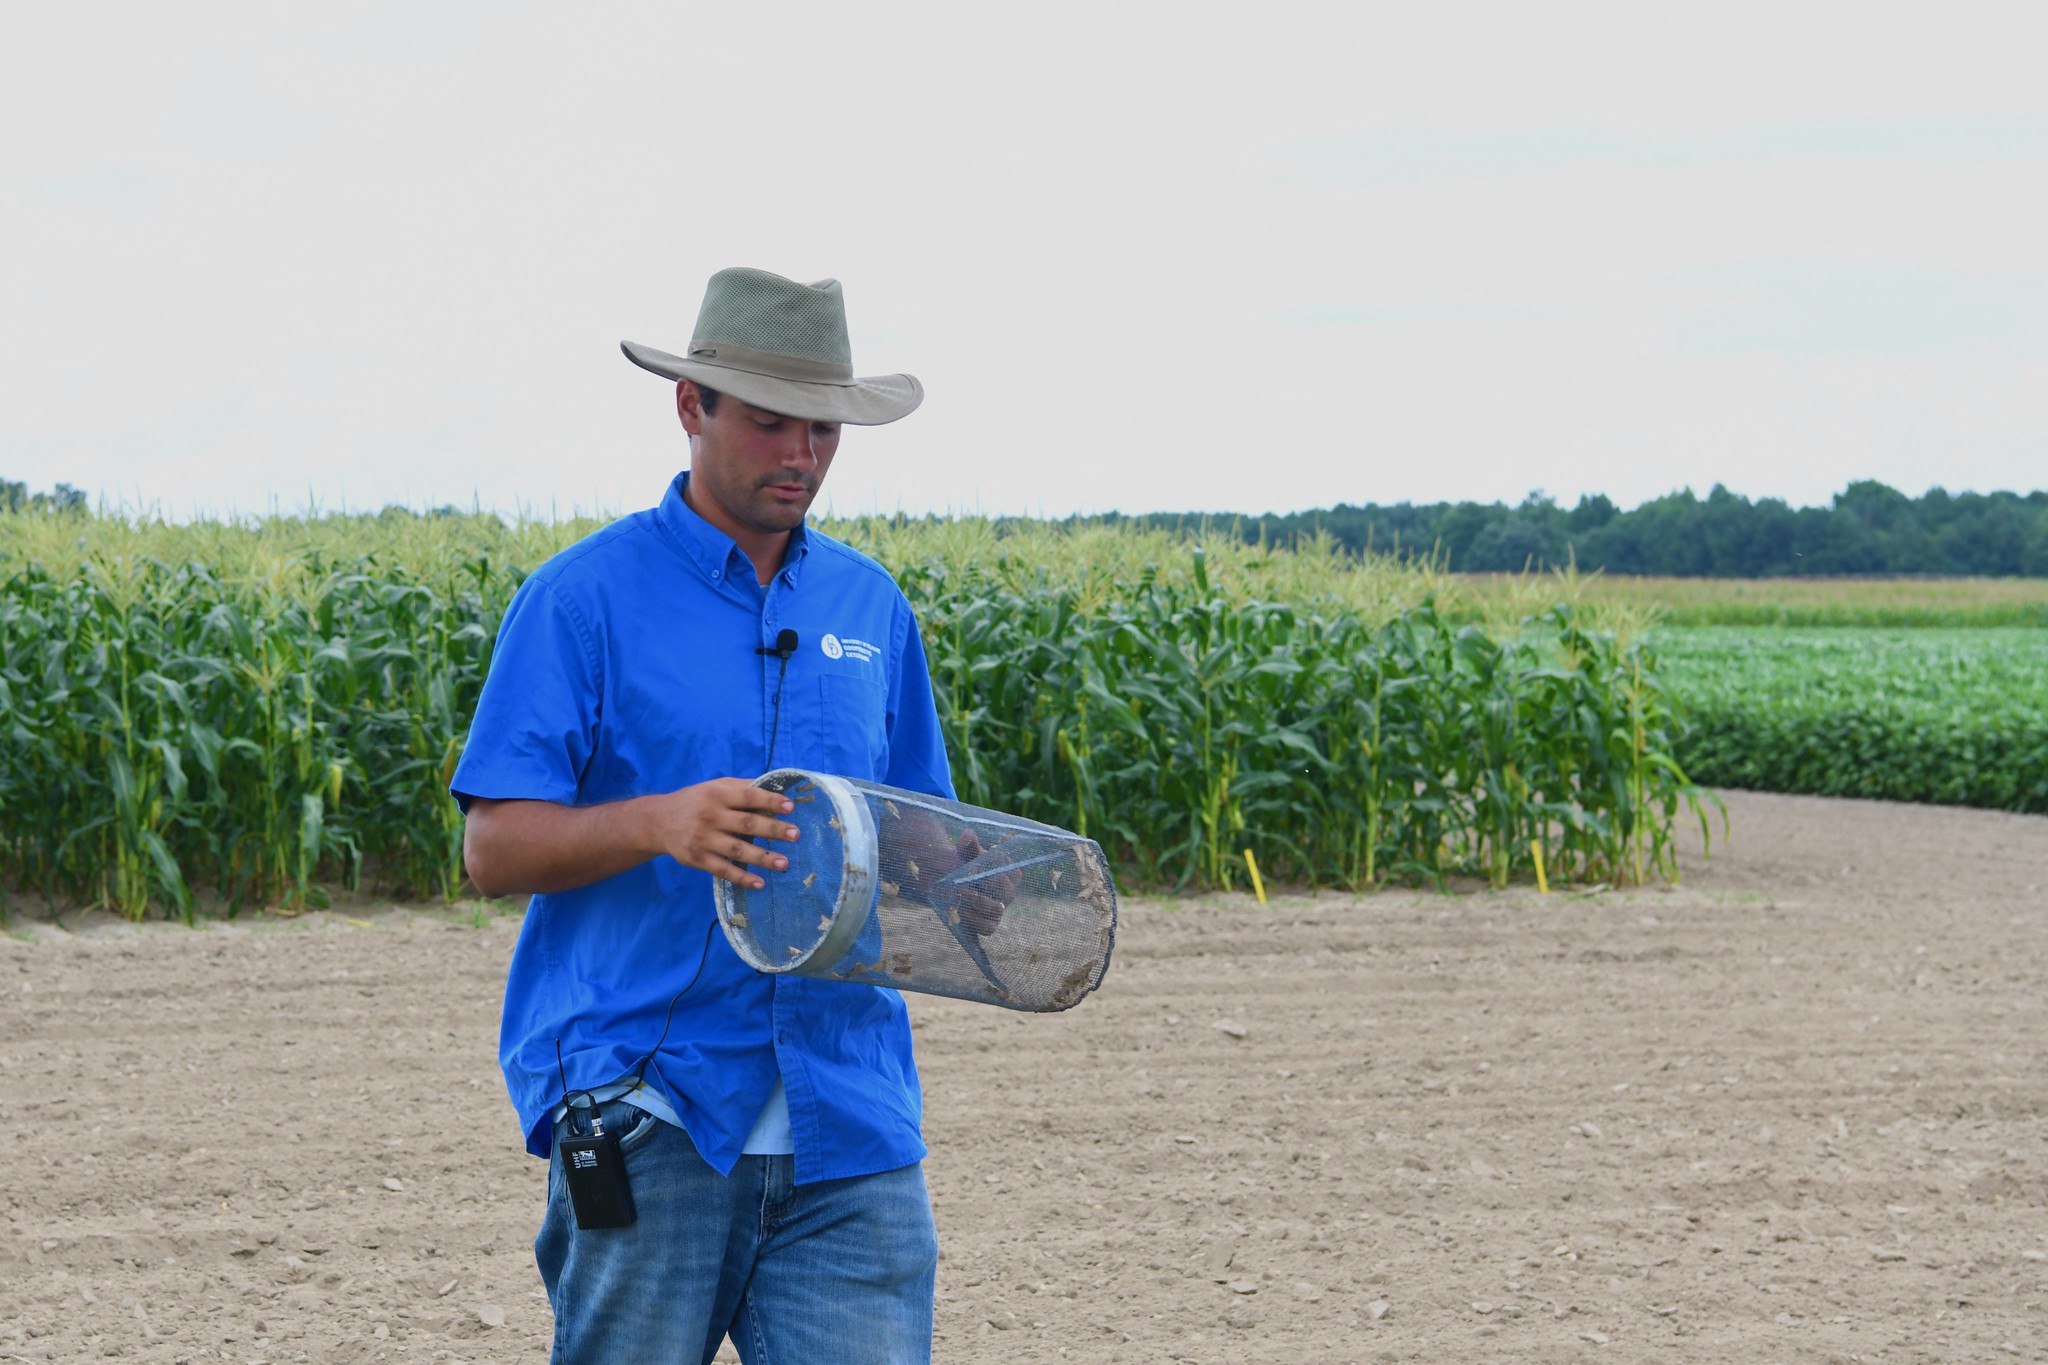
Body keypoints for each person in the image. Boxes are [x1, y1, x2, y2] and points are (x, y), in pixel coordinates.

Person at [452, 267, 965, 1363]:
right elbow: (491, 847)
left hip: (851, 1121)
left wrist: (989, 894)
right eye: (771, 426)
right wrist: (657, 825)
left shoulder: (871, 608)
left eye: (822, 430)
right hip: (650, 1110)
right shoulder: (580, 599)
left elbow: (922, 837)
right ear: (691, 409)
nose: (801, 457)